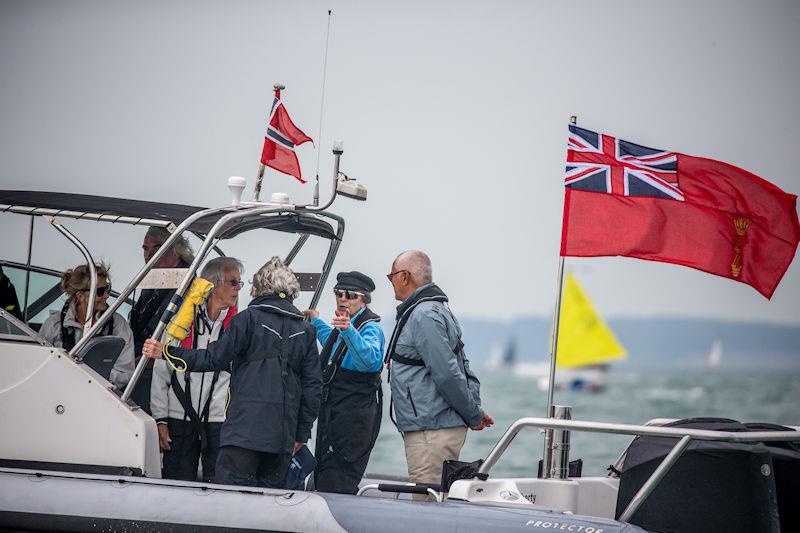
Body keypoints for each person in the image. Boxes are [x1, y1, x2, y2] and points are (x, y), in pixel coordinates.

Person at [142, 256, 321, 488]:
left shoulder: (246, 320)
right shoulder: (306, 331)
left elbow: (212, 358)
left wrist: (166, 352)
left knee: (226, 496)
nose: (245, 291)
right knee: (268, 503)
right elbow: (313, 388)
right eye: (234, 283)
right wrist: (301, 435)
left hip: (241, 436)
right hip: (282, 440)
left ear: (261, 288)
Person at [385, 250, 493, 498]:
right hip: (430, 427)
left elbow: (447, 374)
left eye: (391, 276)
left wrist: (473, 415)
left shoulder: (423, 315)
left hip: (430, 432)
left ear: (404, 276)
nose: (390, 282)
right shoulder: (430, 310)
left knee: (426, 505)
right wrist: (472, 412)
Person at [150, 257, 243, 482]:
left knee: (218, 484)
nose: (238, 288)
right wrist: (160, 419)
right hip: (178, 419)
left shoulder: (239, 326)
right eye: (233, 282)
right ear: (213, 284)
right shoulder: (182, 322)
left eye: (240, 283)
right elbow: (161, 370)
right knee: (176, 482)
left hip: (218, 422)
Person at [303, 271, 385, 495]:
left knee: (339, 476)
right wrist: (316, 321)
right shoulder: (345, 326)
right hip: (333, 416)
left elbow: (369, 359)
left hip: (353, 423)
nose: (343, 299)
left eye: (350, 295)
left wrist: (348, 330)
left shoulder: (370, 328)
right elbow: (333, 344)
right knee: (324, 469)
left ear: (364, 299)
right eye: (339, 293)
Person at [129, 226, 195, 413]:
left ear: (176, 249)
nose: (148, 255)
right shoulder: (156, 278)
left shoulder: (188, 283)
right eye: (145, 249)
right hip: (138, 363)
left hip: (162, 369)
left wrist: (137, 363)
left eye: (155, 249)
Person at [39, 263, 135, 389]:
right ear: (80, 296)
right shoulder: (53, 325)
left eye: (108, 288)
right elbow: (40, 364)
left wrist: (90, 378)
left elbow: (125, 372)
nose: (107, 295)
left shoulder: (118, 325)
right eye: (100, 291)